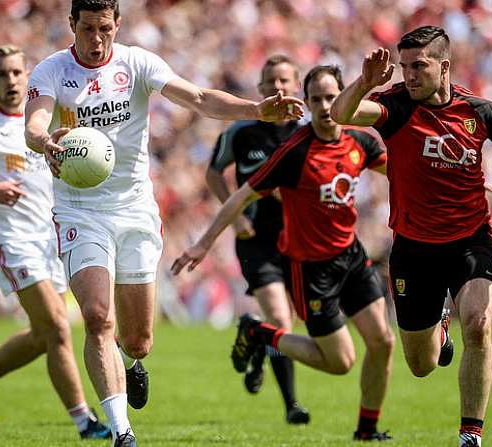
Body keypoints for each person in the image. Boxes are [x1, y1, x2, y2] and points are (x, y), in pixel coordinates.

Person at [23, 1, 303, 445]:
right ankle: (122, 432)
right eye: (87, 29)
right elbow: (35, 122)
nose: (96, 40)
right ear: (71, 25)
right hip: (79, 210)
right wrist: (44, 140)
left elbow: (198, 98)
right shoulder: (52, 71)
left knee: (138, 341)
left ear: (117, 26)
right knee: (97, 317)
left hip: (133, 209)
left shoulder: (136, 62)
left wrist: (256, 109)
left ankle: (131, 363)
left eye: (105, 29)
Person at [330, 26, 492, 447]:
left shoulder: (480, 111)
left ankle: (471, 435)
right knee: (421, 363)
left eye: (419, 66)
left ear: (444, 66)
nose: (409, 75)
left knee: (481, 324)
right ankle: (440, 329)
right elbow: (341, 115)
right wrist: (364, 82)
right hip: (413, 251)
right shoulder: (395, 105)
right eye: (404, 66)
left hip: (470, 242)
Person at [173, 65, 396, 442]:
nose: (325, 106)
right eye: (316, 99)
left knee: (384, 342)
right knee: (341, 362)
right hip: (311, 269)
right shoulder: (294, 151)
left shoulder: (362, 142)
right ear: (306, 104)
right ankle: (261, 333)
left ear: (344, 97)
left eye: (331, 97)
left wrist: (459, 182)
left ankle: (367, 429)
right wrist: (204, 241)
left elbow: (404, 171)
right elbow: (242, 195)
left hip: (352, 258)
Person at [0, 44, 111, 440]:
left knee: (43, 335)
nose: (12, 80)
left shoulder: (44, 122)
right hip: (12, 241)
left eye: (17, 72)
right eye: (3, 74)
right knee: (59, 329)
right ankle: (85, 423)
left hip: (51, 241)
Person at [205, 54, 309, 425]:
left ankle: (256, 341)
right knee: (281, 317)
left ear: (297, 86)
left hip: (300, 240)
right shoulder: (242, 130)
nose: (277, 88)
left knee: (289, 322)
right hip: (256, 240)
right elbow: (214, 174)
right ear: (260, 89)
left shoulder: (309, 130)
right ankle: (292, 406)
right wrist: (234, 219)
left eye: (284, 81)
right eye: (270, 82)